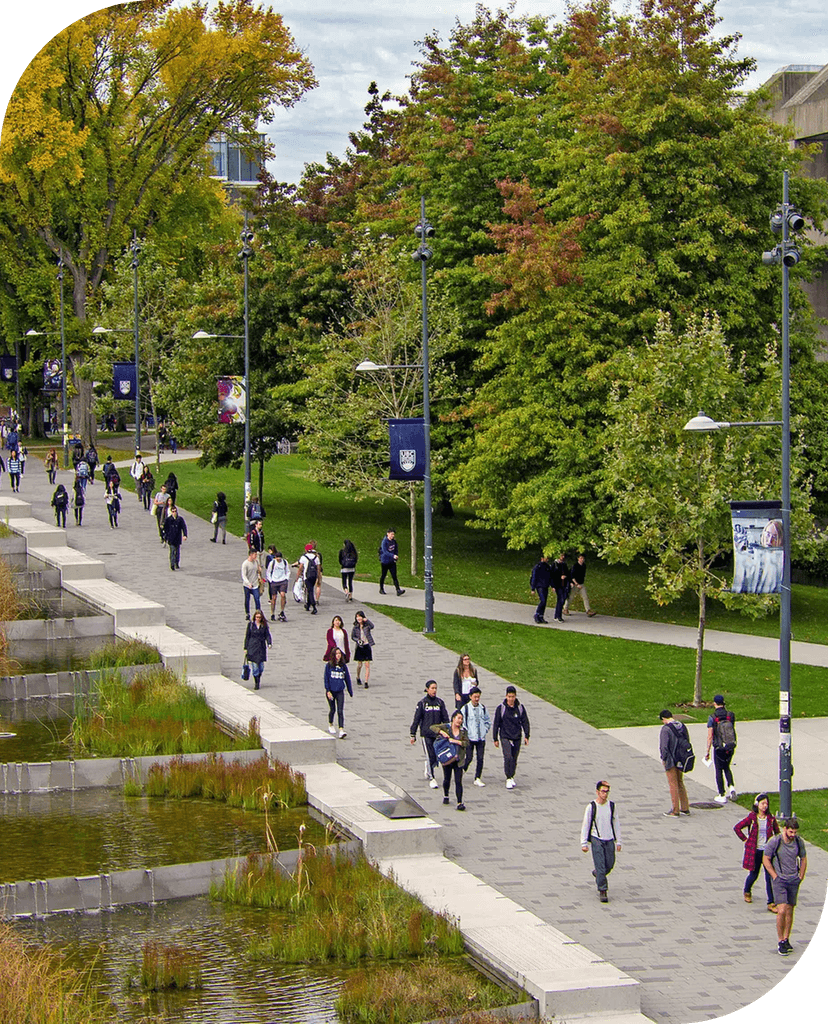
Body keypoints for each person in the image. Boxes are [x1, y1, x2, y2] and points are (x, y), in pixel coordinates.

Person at [763, 818, 807, 956]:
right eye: (791, 832)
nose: (793, 835)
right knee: (781, 910)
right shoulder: (775, 841)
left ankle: (787, 938)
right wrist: (774, 876)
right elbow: (766, 859)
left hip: (793, 880)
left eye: (795, 832)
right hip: (780, 880)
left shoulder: (798, 842)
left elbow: (803, 858)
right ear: (785, 829)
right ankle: (780, 940)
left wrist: (801, 876)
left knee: (789, 910)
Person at [734, 794, 780, 910]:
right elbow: (737, 828)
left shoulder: (771, 818)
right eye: (762, 803)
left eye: (766, 803)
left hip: (767, 852)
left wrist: (777, 845)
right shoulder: (752, 818)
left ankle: (771, 902)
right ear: (757, 804)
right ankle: (747, 890)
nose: (765, 806)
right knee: (754, 874)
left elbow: (777, 833)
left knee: (769, 876)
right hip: (755, 851)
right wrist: (746, 840)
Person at [581, 781, 621, 903]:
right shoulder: (591, 807)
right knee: (600, 865)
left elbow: (616, 823)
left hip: (609, 839)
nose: (605, 794)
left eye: (607, 792)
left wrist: (619, 841)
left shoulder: (611, 806)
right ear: (597, 792)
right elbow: (586, 824)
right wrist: (584, 843)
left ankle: (598, 874)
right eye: (603, 791)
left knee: (610, 863)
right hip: (596, 839)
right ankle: (603, 890)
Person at [410, 680, 447, 788]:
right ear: (427, 689)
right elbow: (416, 719)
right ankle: (432, 778)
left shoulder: (440, 703)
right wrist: (413, 734)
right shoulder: (422, 703)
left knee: (436, 756)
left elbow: (445, 718)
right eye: (432, 688)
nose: (434, 690)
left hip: (437, 734)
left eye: (436, 688)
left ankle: (428, 764)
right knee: (430, 755)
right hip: (426, 734)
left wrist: (448, 731)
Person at [430, 710, 469, 811]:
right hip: (448, 758)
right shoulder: (447, 727)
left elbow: (466, 743)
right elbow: (432, 727)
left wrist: (457, 741)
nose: (460, 721)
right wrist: (441, 732)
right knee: (447, 779)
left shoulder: (463, 731)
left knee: (458, 781)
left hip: (458, 759)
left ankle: (459, 802)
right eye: (458, 718)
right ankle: (446, 795)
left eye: (461, 719)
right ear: (453, 718)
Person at [492, 685, 530, 789]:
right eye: (509, 697)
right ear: (506, 696)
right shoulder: (501, 708)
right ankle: (508, 777)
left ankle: (512, 775)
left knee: (514, 758)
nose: (511, 699)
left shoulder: (520, 708)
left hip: (517, 736)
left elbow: (525, 722)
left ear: (515, 696)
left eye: (513, 697)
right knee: (508, 757)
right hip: (505, 736)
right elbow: (496, 723)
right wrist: (495, 738)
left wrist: (527, 735)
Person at [659, 709, 692, 817]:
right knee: (680, 782)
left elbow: (664, 747)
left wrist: (664, 759)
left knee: (673, 783)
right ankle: (685, 808)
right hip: (681, 759)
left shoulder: (666, 729)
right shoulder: (682, 726)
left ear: (664, 719)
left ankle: (675, 810)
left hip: (671, 759)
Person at [706, 695, 738, 804]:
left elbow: (710, 736)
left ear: (714, 703)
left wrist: (707, 751)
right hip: (730, 746)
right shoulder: (730, 715)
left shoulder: (712, 717)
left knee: (719, 770)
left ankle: (722, 794)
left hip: (719, 747)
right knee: (727, 767)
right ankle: (731, 787)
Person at [461, 686, 491, 787]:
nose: (477, 699)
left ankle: (478, 777)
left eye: (478, 697)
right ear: (470, 697)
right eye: (475, 697)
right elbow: (462, 723)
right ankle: (461, 771)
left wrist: (485, 730)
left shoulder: (483, 708)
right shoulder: (465, 708)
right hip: (470, 738)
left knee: (480, 758)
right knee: (469, 757)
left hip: (481, 738)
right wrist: (466, 734)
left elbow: (487, 721)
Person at [324, 646, 352, 738]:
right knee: (333, 709)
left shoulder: (343, 666)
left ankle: (341, 729)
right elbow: (326, 678)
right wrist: (328, 690)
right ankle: (331, 724)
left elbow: (347, 678)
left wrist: (350, 690)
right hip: (331, 691)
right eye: (336, 654)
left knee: (340, 710)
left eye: (339, 653)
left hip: (340, 691)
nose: (338, 655)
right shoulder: (329, 665)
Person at [243, 609, 272, 690]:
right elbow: (247, 636)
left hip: (261, 647)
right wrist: (245, 647)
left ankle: (258, 676)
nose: (258, 619)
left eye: (259, 617)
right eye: (257, 617)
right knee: (255, 666)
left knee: (261, 667)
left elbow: (267, 634)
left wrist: (269, 643)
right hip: (252, 647)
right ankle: (257, 682)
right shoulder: (251, 625)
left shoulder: (264, 625)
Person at [351, 611, 375, 688]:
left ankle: (366, 681)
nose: (359, 618)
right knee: (359, 664)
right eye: (357, 617)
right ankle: (358, 677)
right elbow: (353, 636)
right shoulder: (355, 627)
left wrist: (367, 620)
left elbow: (372, 626)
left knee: (367, 664)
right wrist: (358, 641)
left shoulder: (367, 625)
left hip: (367, 645)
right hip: (360, 646)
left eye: (360, 616)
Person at [378, 528, 405, 596]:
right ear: (388, 534)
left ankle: (398, 590)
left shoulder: (394, 541)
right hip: (385, 561)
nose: (392, 536)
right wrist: (392, 555)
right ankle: (381, 589)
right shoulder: (384, 541)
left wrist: (395, 557)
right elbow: (385, 551)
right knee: (383, 575)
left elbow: (396, 549)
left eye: (393, 534)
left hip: (392, 561)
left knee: (394, 576)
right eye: (391, 534)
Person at [266, 549, 291, 621]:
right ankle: (272, 613)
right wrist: (270, 580)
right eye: (277, 558)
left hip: (282, 581)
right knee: (274, 598)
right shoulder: (272, 563)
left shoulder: (285, 562)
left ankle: (282, 611)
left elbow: (287, 571)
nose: (278, 559)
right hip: (274, 581)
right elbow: (268, 572)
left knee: (283, 595)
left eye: (279, 558)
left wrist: (286, 578)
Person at [297, 543, 321, 614]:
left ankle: (314, 606)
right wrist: (318, 577)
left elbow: (300, 568)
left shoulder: (303, 557)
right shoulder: (316, 557)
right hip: (314, 576)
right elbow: (318, 568)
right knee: (310, 589)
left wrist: (297, 576)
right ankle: (308, 604)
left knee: (310, 591)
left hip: (307, 576)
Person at [163, 505, 188, 570]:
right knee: (172, 551)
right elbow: (165, 528)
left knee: (177, 552)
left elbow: (184, 527)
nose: (174, 513)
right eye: (173, 511)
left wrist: (185, 535)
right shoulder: (168, 519)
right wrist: (166, 537)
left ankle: (176, 563)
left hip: (177, 538)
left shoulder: (180, 519)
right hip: (171, 538)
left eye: (175, 511)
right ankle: (172, 564)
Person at [530, 553, 552, 624]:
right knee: (542, 600)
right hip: (540, 586)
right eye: (546, 558)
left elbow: (550, 576)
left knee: (544, 602)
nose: (547, 559)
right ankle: (537, 614)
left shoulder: (548, 567)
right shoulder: (538, 567)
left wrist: (551, 585)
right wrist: (533, 588)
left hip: (545, 585)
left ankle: (541, 616)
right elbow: (534, 577)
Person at [241, 548, 262, 619]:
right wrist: (248, 583)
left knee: (257, 598)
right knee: (247, 599)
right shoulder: (245, 564)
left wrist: (259, 571)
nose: (256, 556)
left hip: (255, 584)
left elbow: (257, 572)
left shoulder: (256, 562)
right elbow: (244, 575)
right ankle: (247, 613)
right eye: (255, 555)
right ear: (250, 554)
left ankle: (258, 613)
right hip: (247, 585)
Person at [552, 554, 570, 623]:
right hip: (558, 585)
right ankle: (558, 616)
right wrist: (553, 586)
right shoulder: (555, 565)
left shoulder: (564, 564)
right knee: (561, 599)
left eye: (563, 556)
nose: (563, 557)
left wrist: (565, 576)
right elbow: (553, 575)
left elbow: (567, 573)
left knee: (562, 599)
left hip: (564, 584)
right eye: (561, 556)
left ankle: (557, 615)